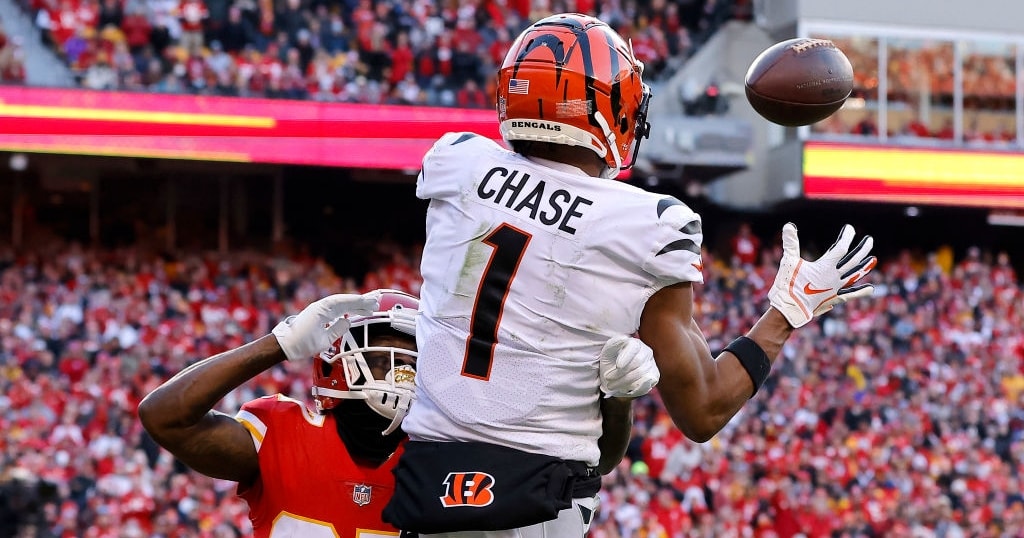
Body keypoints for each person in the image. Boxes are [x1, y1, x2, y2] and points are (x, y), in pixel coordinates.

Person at [383, 13, 878, 538]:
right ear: (606, 109)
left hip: (425, 490)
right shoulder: (646, 223)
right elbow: (703, 410)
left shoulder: (455, 163)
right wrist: (786, 314)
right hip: (537, 501)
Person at [137, 288, 657, 537]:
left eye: (412, 357)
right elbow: (165, 418)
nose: (400, 370)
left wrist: (616, 397)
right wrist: (276, 344)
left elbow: (593, 466)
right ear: (332, 355)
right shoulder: (285, 430)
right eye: (384, 350)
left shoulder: (446, 451)